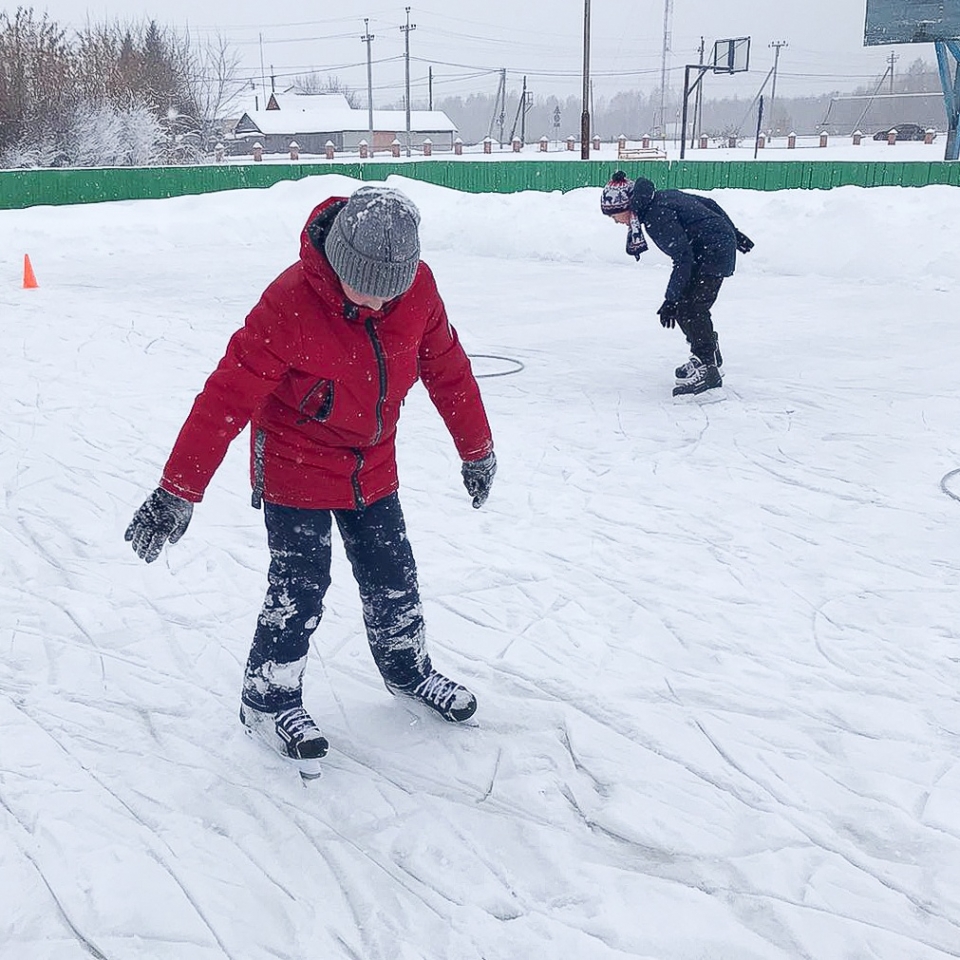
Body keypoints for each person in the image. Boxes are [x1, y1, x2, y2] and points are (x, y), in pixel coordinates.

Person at [125, 185, 497, 774]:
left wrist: (476, 447)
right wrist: (178, 490)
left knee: (392, 573)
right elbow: (226, 396)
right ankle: (267, 700)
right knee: (300, 583)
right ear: (340, 263)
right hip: (296, 461)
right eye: (366, 287)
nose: (379, 302)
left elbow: (447, 367)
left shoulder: (417, 290)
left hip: (371, 462)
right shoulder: (290, 304)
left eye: (390, 288)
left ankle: (407, 669)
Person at [600, 171, 754, 396]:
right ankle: (708, 351)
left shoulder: (656, 216)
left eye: (614, 214)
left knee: (691, 309)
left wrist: (670, 299)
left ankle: (708, 368)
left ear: (627, 206)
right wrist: (734, 232)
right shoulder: (659, 197)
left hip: (712, 253)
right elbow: (709, 204)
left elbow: (683, 258)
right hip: (711, 248)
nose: (615, 221)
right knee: (688, 306)